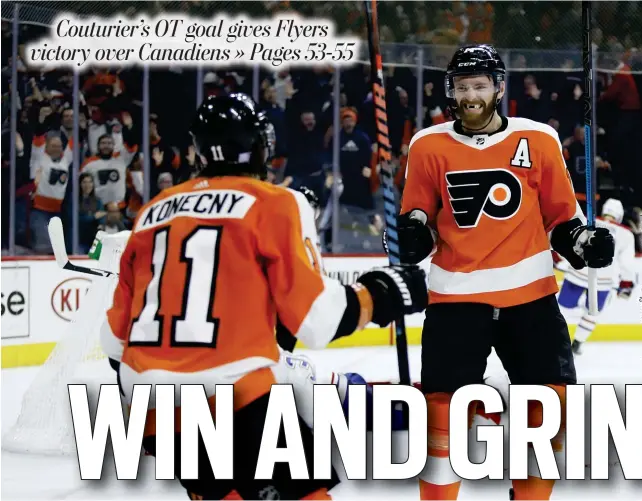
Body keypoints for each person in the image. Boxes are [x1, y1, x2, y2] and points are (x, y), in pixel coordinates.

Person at [99, 92, 428, 501]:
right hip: (235, 396)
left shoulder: (152, 211)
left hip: (150, 404)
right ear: (259, 148)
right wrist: (382, 293)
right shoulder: (274, 202)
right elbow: (317, 320)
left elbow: (112, 341)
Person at [386, 44, 615, 500]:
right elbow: (419, 221)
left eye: (479, 86)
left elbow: (561, 220)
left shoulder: (539, 139)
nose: (470, 95)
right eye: (462, 87)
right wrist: (411, 237)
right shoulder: (427, 145)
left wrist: (583, 242)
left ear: (498, 87)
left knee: (549, 409)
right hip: (455, 299)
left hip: (530, 298)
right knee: (442, 420)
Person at [557, 198, 636, 354]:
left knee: (562, 309)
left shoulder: (585, 221)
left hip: (578, 273)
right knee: (593, 312)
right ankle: (578, 342)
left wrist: (560, 261)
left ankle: (556, 339)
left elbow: (566, 241)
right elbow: (627, 263)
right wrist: (626, 283)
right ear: (619, 216)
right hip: (603, 281)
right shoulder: (626, 234)